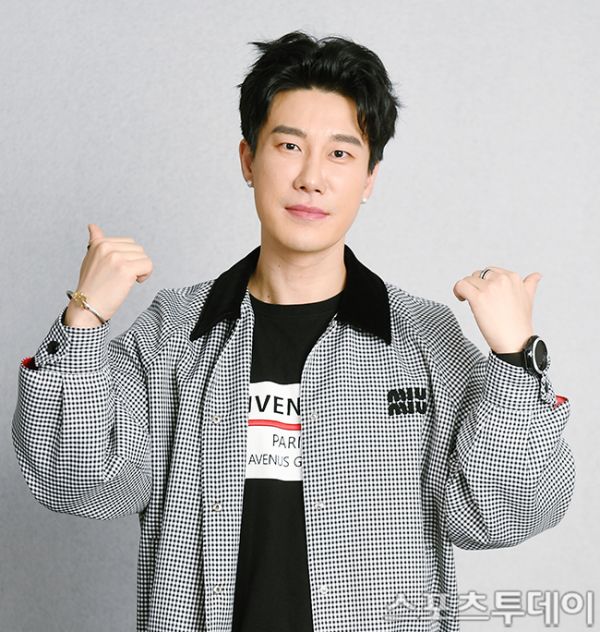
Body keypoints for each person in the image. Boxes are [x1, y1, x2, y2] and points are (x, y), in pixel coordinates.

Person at [12, 31, 574, 632]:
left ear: (369, 179)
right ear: (248, 160)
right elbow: (81, 483)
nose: (311, 178)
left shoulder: (423, 338)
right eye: (288, 145)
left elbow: (496, 516)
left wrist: (517, 360)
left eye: (340, 154)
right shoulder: (174, 332)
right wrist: (84, 318)